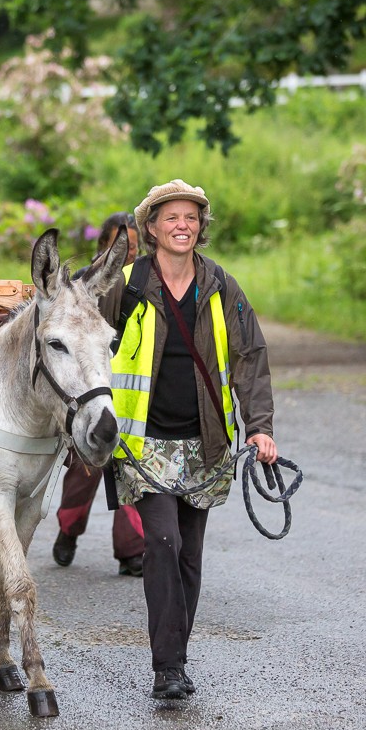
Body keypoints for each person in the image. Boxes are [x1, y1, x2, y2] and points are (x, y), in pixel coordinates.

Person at [101, 179, 277, 701]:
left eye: (192, 217)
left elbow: (251, 357)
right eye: (171, 217)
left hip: (206, 443)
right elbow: (84, 344)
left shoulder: (221, 286)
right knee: (162, 542)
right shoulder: (126, 283)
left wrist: (261, 426)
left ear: (200, 228)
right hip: (142, 442)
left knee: (189, 556)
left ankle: (176, 657)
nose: (183, 225)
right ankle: (166, 668)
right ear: (150, 228)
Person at [53, 212, 145, 575]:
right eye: (118, 248)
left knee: (131, 472)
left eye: (133, 248)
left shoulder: (149, 281)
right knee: (84, 469)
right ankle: (68, 531)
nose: (125, 256)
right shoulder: (78, 286)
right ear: (102, 247)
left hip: (131, 390)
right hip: (91, 391)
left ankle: (132, 551)